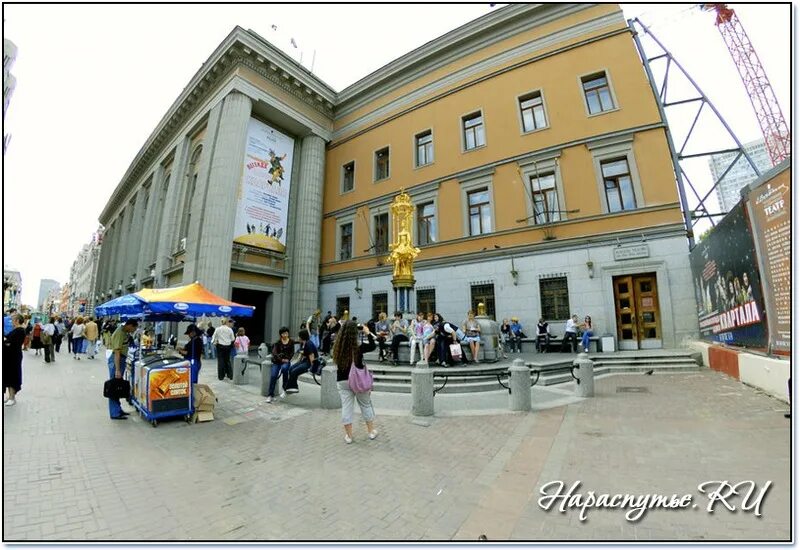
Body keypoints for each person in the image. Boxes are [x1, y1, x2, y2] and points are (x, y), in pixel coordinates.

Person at [332, 321, 378, 444]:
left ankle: (349, 436)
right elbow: (373, 346)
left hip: (342, 381)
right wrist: (367, 333)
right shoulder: (358, 348)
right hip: (357, 381)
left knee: (346, 407)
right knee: (365, 405)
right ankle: (371, 431)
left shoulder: (338, 347)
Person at [107, 319, 138, 420]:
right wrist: (117, 370)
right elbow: (117, 352)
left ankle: (118, 409)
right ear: (130, 325)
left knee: (118, 386)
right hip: (117, 360)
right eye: (134, 328)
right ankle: (115, 413)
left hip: (121, 359)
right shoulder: (120, 333)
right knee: (114, 387)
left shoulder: (125, 332)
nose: (134, 330)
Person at [283, 329, 319, 394]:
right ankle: (294, 387)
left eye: (299, 336)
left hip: (309, 363)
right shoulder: (303, 343)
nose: (298, 337)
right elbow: (301, 354)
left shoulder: (308, 344)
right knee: (291, 368)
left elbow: (312, 356)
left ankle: (290, 388)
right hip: (305, 361)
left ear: (302, 337)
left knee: (294, 371)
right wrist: (297, 363)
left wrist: (311, 368)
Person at [266, 327, 294, 403]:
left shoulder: (291, 342)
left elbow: (292, 353)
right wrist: (281, 359)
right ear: (281, 334)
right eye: (283, 333)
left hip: (286, 361)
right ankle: (270, 395)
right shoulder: (277, 342)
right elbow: (274, 353)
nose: (285, 335)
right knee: (273, 376)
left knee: (285, 369)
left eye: (286, 333)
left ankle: (284, 389)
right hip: (277, 361)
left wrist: (287, 359)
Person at [3, 314, 26, 406]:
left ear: (17, 321)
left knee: (12, 376)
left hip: (13, 357)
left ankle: (12, 398)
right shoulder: (17, 330)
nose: (11, 322)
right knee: (9, 376)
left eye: (12, 320)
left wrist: (6, 342)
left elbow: (10, 343)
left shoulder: (19, 331)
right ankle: (10, 397)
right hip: (11, 356)